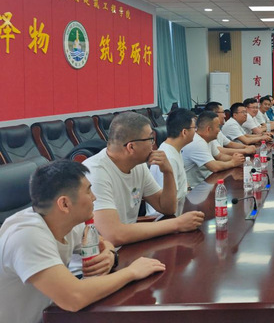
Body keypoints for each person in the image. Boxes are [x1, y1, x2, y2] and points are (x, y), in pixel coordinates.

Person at [0, 160, 165, 323]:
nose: (94, 197)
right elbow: (73, 298)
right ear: (65, 204)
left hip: (52, 313)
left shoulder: (64, 220)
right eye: (88, 191)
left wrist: (109, 255)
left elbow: (104, 242)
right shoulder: (27, 235)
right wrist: (132, 272)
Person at [83, 112, 205, 247]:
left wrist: (168, 172)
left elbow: (167, 208)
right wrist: (178, 224)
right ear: (131, 147)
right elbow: (114, 235)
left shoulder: (138, 166)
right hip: (101, 254)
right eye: (150, 139)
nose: (154, 144)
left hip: (129, 245)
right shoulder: (95, 172)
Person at [145, 108, 195, 217]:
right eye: (194, 128)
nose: (195, 131)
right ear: (184, 132)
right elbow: (166, 202)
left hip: (178, 212)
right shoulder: (168, 157)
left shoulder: (174, 150)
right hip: (164, 218)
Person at [181, 111, 245, 187]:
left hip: (207, 182)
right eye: (218, 127)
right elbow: (214, 167)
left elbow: (219, 156)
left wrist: (237, 159)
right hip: (194, 189)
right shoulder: (197, 142)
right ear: (208, 129)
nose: (219, 130)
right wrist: (233, 162)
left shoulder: (208, 139)